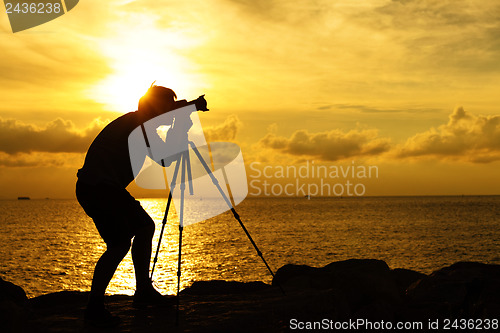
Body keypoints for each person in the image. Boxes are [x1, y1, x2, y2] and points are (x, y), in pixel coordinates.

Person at [76, 85, 207, 327]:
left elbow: (164, 146)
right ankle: (96, 307)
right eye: (167, 108)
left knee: (143, 228)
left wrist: (183, 113)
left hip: (99, 187)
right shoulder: (141, 126)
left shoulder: (138, 122)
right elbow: (166, 158)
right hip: (100, 188)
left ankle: (141, 292)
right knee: (120, 242)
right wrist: (180, 123)